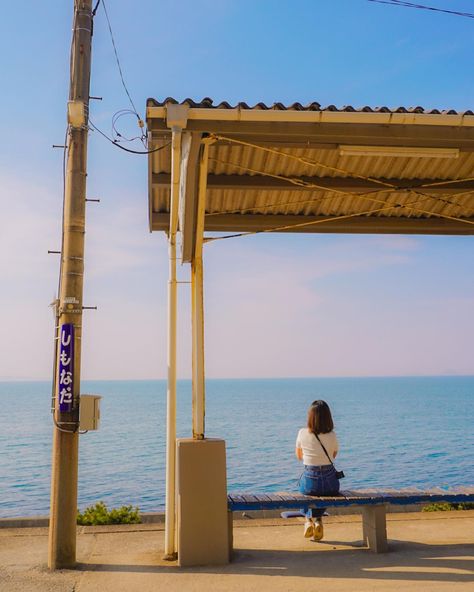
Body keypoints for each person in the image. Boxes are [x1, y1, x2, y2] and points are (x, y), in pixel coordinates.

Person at [295, 400, 340, 541]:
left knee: (303, 491)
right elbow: (334, 455)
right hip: (330, 483)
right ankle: (319, 520)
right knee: (324, 493)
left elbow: (299, 456)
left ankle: (308, 520)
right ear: (328, 417)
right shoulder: (332, 435)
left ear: (310, 416)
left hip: (310, 478)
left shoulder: (302, 433)